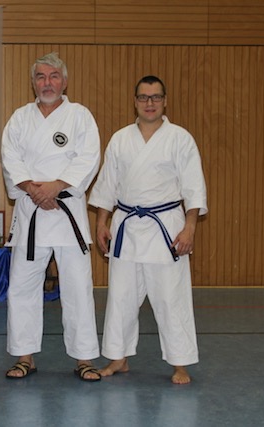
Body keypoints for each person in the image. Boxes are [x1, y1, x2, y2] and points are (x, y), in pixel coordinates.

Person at [88, 75, 208, 384]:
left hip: (166, 227)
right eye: (143, 97)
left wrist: (190, 228)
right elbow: (107, 185)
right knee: (121, 296)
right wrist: (101, 222)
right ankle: (118, 357)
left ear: (165, 101)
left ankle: (180, 363)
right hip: (126, 226)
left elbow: (193, 187)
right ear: (135, 102)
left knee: (171, 297)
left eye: (155, 97)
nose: (149, 103)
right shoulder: (120, 139)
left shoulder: (180, 138)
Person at [1, 52, 102, 381]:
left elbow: (88, 158)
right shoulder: (20, 118)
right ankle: (24, 357)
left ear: (65, 81)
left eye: (54, 76)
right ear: (33, 82)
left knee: (78, 288)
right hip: (31, 213)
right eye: (41, 77)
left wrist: (56, 187)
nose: (47, 83)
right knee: (22, 287)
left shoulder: (80, 116)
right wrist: (33, 190)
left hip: (67, 212)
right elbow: (10, 159)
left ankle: (84, 358)